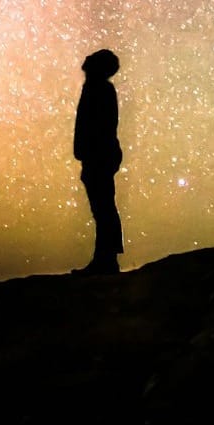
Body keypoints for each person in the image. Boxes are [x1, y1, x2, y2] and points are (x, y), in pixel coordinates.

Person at [73, 49, 123, 274]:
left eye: (92, 58)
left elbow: (100, 127)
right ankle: (105, 259)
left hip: (99, 155)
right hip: (98, 155)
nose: (86, 59)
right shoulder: (97, 88)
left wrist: (90, 152)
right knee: (102, 207)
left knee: (103, 208)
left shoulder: (99, 89)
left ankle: (106, 260)